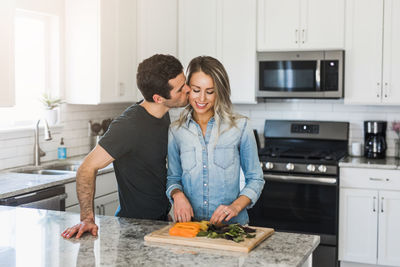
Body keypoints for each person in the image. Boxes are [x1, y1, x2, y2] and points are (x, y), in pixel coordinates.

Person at [62, 54, 190, 239]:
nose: (187, 89)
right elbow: (86, 168)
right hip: (134, 228)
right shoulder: (129, 125)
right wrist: (87, 219)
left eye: (184, 82)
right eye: (180, 89)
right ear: (158, 98)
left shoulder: (162, 114)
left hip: (157, 222)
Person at [166, 56, 264, 225]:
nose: (202, 98)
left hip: (231, 227)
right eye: (196, 90)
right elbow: (173, 178)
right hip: (190, 227)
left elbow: (255, 179)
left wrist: (234, 207)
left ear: (219, 92)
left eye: (210, 92)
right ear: (188, 89)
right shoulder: (176, 131)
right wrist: (177, 195)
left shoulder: (240, 126)